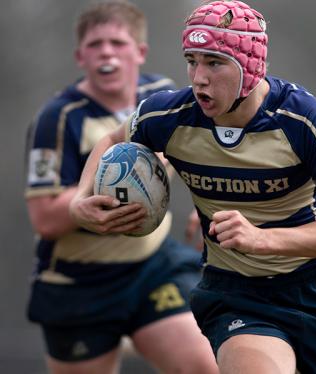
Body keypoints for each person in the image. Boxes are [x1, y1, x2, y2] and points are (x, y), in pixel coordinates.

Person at [69, 1, 316, 373]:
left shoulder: (303, 120)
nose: (198, 77)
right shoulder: (169, 117)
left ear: (250, 67)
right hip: (240, 294)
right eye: (192, 60)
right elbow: (111, 142)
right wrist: (80, 199)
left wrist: (264, 238)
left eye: (214, 62)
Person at [24, 1, 219, 373]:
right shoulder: (59, 119)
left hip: (152, 268)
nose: (107, 52)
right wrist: (104, 188)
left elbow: (203, 155)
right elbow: (45, 219)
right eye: (96, 45)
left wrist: (207, 203)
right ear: (81, 56)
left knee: (206, 366)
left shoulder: (160, 96)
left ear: (140, 52)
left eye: (117, 42)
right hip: (79, 282)